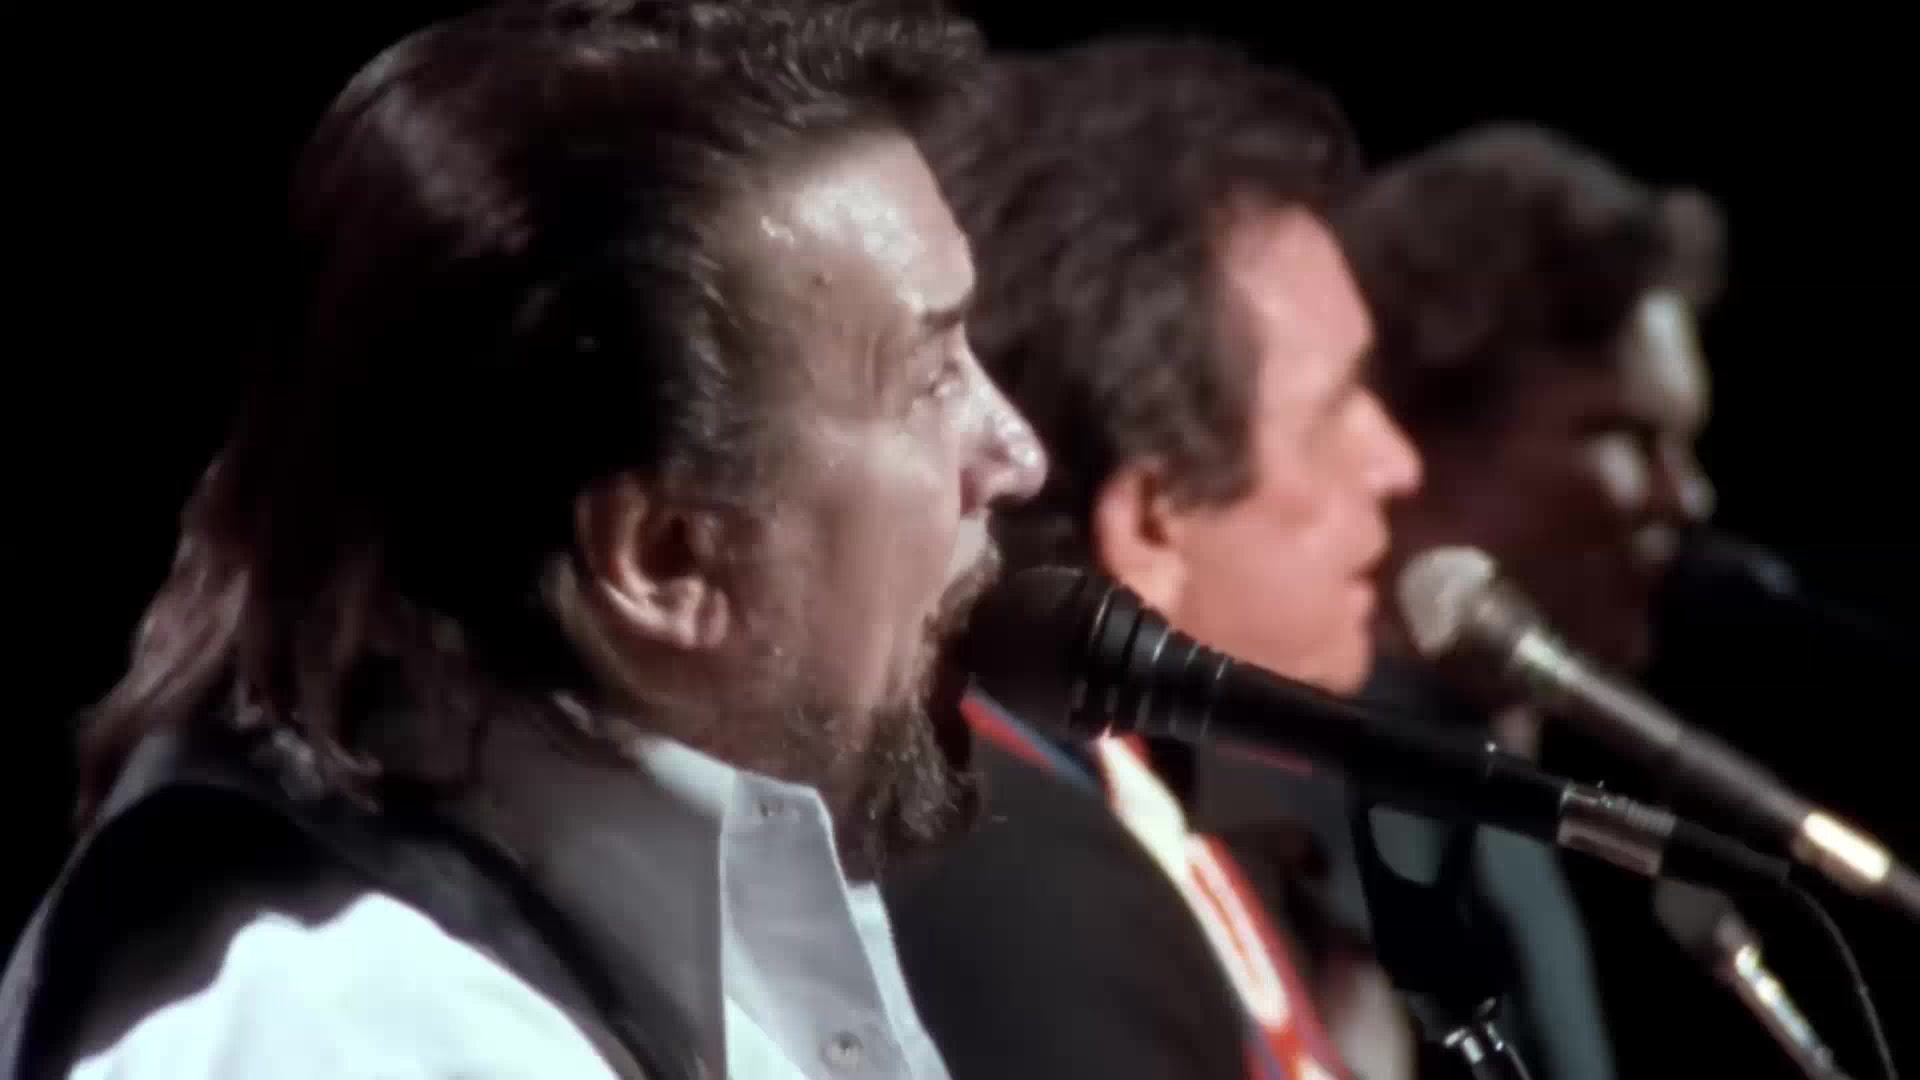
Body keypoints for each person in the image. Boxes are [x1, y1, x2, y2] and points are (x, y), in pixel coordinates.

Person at [0, 1, 1046, 1077]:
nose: (1019, 454)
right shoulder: (361, 1039)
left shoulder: (652, 939)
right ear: (665, 560)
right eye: (930, 379)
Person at [881, 38, 1423, 1080]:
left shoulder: (1158, 817)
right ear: (1156, 520)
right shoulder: (1032, 899)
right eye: (1338, 408)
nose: (1399, 463)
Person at [1304, 124, 1727, 1080]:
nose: (1687, 499)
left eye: (1684, 445)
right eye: (1623, 436)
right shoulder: (1327, 813)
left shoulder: (1491, 775)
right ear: (1414, 438)